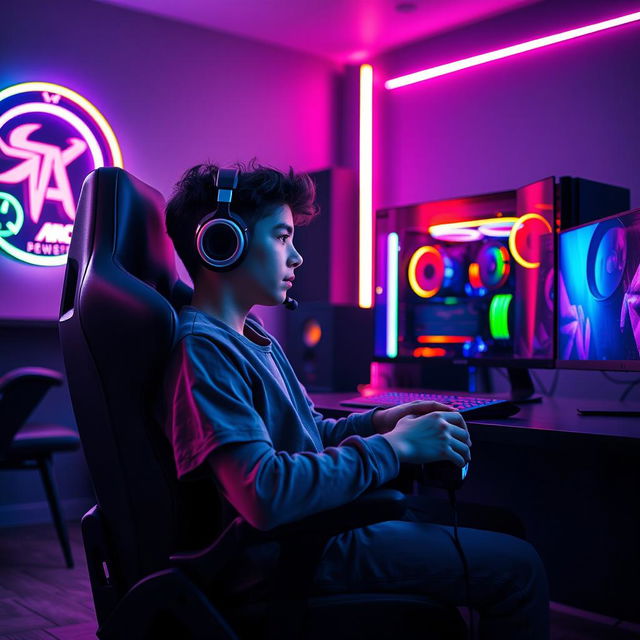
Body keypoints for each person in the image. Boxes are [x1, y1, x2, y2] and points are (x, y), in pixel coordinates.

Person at [159, 160, 550, 639]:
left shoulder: (251, 336)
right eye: (282, 238)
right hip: (294, 551)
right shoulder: (205, 349)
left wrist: (382, 421)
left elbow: (307, 435)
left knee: (506, 529)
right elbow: (263, 493)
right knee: (521, 568)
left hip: (316, 532)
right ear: (222, 242)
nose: (296, 257)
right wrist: (396, 449)